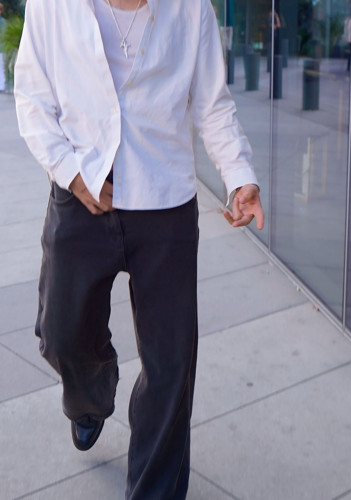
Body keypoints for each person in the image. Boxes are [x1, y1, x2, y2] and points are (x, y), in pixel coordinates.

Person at [14, 1, 264, 499]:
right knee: (61, 335)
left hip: (165, 202)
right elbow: (33, 97)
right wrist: (70, 172)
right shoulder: (52, 5)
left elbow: (211, 103)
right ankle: (90, 398)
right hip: (82, 193)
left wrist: (239, 176)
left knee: (171, 368)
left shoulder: (192, 9)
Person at [0, 3, 6, 92]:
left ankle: (2, 86)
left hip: (1, 48)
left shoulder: (3, 22)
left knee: (1, 67)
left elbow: (4, 35)